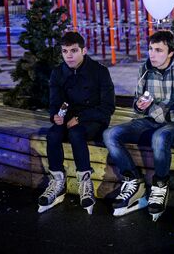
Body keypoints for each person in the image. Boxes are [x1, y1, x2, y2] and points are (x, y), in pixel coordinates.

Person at [103, 30, 174, 219]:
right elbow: (138, 105)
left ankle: (160, 185)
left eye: (158, 50)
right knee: (110, 134)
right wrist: (140, 105)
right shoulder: (145, 70)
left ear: (171, 52)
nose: (152, 54)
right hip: (150, 121)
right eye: (150, 49)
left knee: (160, 136)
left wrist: (161, 111)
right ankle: (133, 179)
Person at [38, 32, 115, 214]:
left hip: (94, 118)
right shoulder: (58, 73)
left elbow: (108, 107)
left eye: (73, 51)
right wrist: (55, 116)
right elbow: (54, 102)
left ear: (84, 50)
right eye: (65, 51)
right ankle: (57, 182)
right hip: (68, 117)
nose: (69, 55)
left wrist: (81, 118)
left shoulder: (99, 71)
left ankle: (85, 182)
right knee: (53, 134)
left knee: (76, 133)